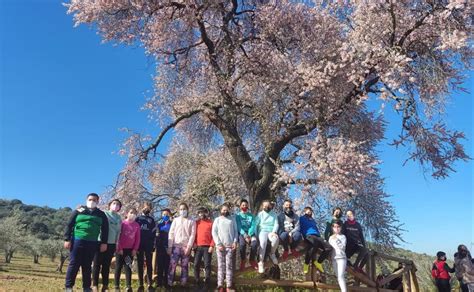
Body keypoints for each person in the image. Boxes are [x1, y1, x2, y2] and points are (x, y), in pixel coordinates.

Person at [64, 193, 109, 292]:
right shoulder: (78, 210)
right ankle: (68, 287)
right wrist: (67, 239)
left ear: (97, 201)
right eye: (90, 199)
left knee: (87, 265)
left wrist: (104, 242)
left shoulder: (101, 214)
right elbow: (69, 224)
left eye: (94, 200)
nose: (92, 201)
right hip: (77, 240)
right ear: (86, 200)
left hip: (92, 242)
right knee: (74, 263)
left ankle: (86, 287)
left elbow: (105, 229)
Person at [93, 199, 122, 292]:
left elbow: (119, 232)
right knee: (97, 264)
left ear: (119, 208)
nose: (115, 205)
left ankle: (105, 286)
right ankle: (94, 285)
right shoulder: (103, 214)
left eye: (118, 204)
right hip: (100, 242)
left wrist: (117, 243)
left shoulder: (118, 217)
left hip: (112, 244)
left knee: (106, 265)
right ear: (109, 205)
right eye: (114, 203)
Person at [167, 202, 196, 287]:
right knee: (172, 265)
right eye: (181, 209)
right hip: (175, 246)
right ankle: (169, 283)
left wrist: (189, 247)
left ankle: (183, 284)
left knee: (184, 266)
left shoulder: (192, 221)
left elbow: (192, 235)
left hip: (186, 247)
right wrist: (169, 246)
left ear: (187, 210)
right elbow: (171, 233)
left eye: (184, 209)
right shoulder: (176, 220)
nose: (182, 210)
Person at [212, 203, 238, 291]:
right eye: (223, 210)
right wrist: (218, 244)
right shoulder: (217, 220)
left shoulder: (232, 219)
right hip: (220, 247)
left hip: (230, 246)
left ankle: (229, 286)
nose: (225, 211)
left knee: (229, 266)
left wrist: (235, 242)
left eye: (227, 210)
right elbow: (214, 232)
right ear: (221, 211)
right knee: (220, 266)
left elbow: (235, 231)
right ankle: (220, 285)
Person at [299, 206, 332, 274]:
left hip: (317, 236)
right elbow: (298, 227)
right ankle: (306, 263)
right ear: (305, 212)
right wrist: (302, 236)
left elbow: (316, 229)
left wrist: (319, 236)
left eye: (310, 211)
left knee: (329, 247)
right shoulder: (301, 218)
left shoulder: (313, 220)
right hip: (308, 235)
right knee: (313, 245)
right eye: (308, 211)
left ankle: (318, 262)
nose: (309, 212)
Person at [114, 208, 141, 292]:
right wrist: (119, 248)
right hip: (120, 250)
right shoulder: (122, 223)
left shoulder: (136, 225)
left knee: (128, 266)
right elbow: (117, 236)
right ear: (127, 213)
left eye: (135, 213)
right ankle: (116, 286)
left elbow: (137, 238)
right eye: (131, 212)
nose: (132, 214)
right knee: (118, 267)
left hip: (129, 251)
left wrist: (135, 249)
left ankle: (128, 286)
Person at [135, 201, 156, 292]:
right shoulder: (137, 219)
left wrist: (153, 245)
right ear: (142, 207)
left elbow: (154, 233)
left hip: (148, 245)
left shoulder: (152, 220)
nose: (147, 209)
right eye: (145, 207)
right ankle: (140, 284)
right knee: (139, 264)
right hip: (139, 244)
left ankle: (149, 284)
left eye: (149, 207)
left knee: (149, 264)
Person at [255, 200, 279, 273]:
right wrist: (255, 235)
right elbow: (256, 225)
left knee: (275, 239)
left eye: (268, 206)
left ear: (270, 206)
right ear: (262, 207)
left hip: (271, 231)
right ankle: (261, 262)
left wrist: (274, 232)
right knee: (263, 243)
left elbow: (276, 224)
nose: (266, 207)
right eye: (265, 206)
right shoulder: (260, 214)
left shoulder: (274, 214)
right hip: (262, 231)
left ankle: (272, 253)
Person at [194, 207, 215, 287]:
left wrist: (212, 246)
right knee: (196, 264)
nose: (201, 214)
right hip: (198, 247)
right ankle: (196, 280)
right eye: (199, 213)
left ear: (206, 213)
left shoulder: (210, 223)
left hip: (207, 247)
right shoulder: (196, 223)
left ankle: (207, 281)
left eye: (203, 212)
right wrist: (194, 243)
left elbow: (214, 236)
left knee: (207, 265)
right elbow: (193, 234)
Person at [235, 199, 258, 270]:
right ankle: (243, 260)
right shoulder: (238, 216)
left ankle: (252, 260)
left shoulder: (251, 215)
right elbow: (238, 226)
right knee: (242, 244)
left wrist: (250, 234)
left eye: (246, 205)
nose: (244, 206)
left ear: (248, 206)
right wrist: (244, 235)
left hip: (250, 233)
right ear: (240, 206)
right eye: (243, 205)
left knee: (254, 243)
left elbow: (253, 225)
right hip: (242, 233)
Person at [154, 208, 172, 288]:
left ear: (170, 215)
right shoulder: (158, 224)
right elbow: (155, 235)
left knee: (167, 266)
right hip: (160, 247)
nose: (165, 215)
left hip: (168, 247)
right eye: (164, 214)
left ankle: (166, 283)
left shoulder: (172, 224)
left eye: (167, 214)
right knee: (160, 265)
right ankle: (159, 283)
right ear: (162, 215)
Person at [328, 220, 347, 292]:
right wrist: (329, 257)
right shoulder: (330, 238)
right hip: (334, 259)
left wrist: (336, 239)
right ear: (332, 228)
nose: (336, 228)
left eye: (338, 227)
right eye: (335, 227)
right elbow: (329, 248)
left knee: (341, 276)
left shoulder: (343, 237)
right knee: (338, 277)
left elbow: (342, 247)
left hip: (341, 258)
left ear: (341, 227)